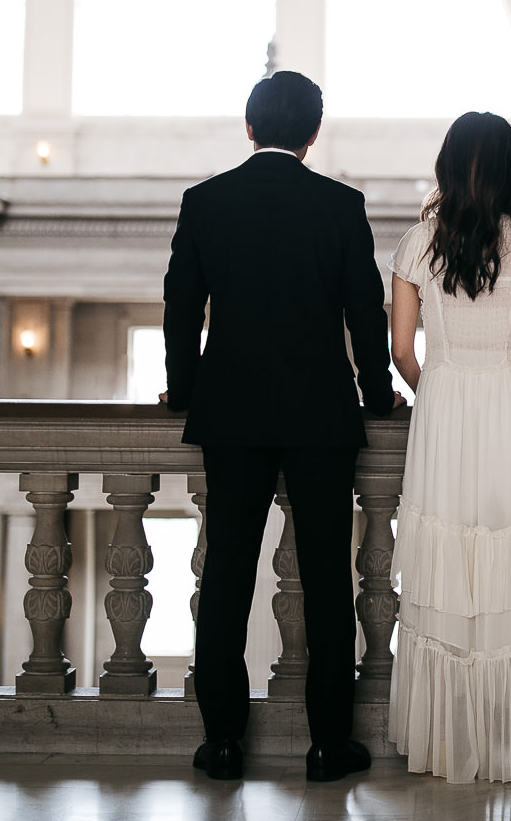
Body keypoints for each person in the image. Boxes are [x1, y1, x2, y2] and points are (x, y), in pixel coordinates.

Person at [162, 70, 403, 783]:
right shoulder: (340, 205)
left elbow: (181, 307)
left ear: (249, 126)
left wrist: (184, 390)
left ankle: (224, 744)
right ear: (312, 133)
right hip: (321, 415)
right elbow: (367, 312)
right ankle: (329, 745)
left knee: (227, 575)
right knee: (329, 580)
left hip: (230, 413)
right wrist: (376, 391)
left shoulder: (205, 202)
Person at [386, 111, 511, 783]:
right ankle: (509, 746)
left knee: (447, 562)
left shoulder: (416, 245)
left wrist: (436, 387)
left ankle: (444, 742)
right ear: (509, 167)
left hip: (443, 411)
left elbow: (401, 352)